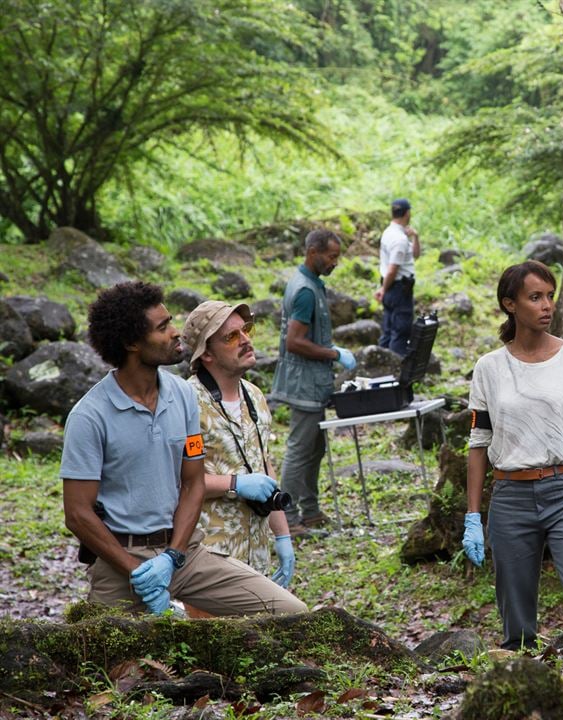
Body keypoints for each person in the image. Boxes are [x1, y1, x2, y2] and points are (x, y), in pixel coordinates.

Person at [61, 281, 307, 616]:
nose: (176, 333)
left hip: (185, 554)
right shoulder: (90, 416)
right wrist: (136, 572)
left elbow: (193, 482)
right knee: (109, 662)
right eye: (163, 327)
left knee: (290, 611)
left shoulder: (182, 396)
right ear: (131, 343)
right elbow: (77, 513)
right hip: (120, 561)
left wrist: (173, 556)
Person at [461, 260, 563, 649]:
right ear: (510, 304)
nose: (547, 305)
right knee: (516, 624)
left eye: (550, 296)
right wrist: (472, 516)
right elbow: (478, 443)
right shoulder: (489, 368)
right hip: (511, 498)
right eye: (535, 297)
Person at [182, 300, 295, 588]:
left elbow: (263, 465)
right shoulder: (185, 402)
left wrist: (282, 536)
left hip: (256, 554)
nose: (245, 340)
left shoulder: (254, 395)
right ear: (206, 353)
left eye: (246, 330)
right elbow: (176, 481)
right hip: (209, 556)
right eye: (231, 336)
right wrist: (234, 484)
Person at [271, 228, 356, 536]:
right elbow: (294, 341)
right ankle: (289, 518)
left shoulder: (313, 285)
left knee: (315, 448)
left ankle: (310, 510)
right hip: (303, 384)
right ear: (314, 253)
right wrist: (334, 353)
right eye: (332, 256)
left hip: (314, 383)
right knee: (299, 449)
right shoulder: (305, 290)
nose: (335, 263)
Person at [375, 198, 421, 356]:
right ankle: (395, 372)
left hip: (392, 286)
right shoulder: (399, 239)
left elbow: (415, 255)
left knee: (388, 330)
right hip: (398, 288)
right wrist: (383, 289)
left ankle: (380, 365)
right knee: (400, 332)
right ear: (407, 213)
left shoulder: (391, 233)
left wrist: (415, 237)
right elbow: (392, 269)